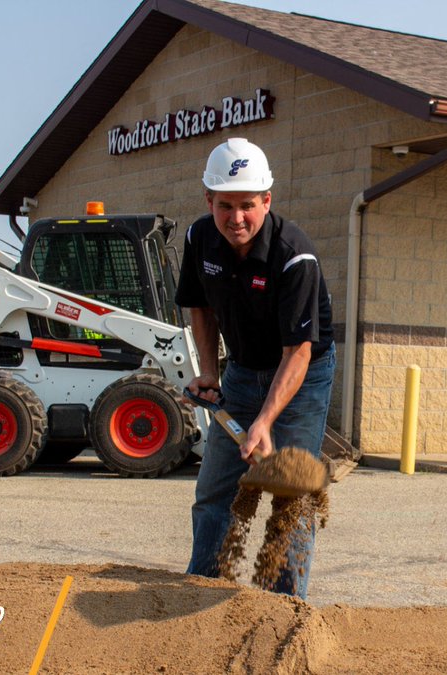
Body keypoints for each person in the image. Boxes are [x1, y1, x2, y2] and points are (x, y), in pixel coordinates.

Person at [177, 138, 335, 598]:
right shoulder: (199, 238)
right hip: (242, 370)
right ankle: (204, 586)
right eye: (225, 205)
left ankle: (284, 605)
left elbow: (298, 353)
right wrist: (210, 371)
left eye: (247, 205)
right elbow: (200, 306)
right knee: (215, 489)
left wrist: (264, 422)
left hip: (302, 373)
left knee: (292, 494)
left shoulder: (295, 256)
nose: (236, 218)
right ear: (208, 200)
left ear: (267, 200)